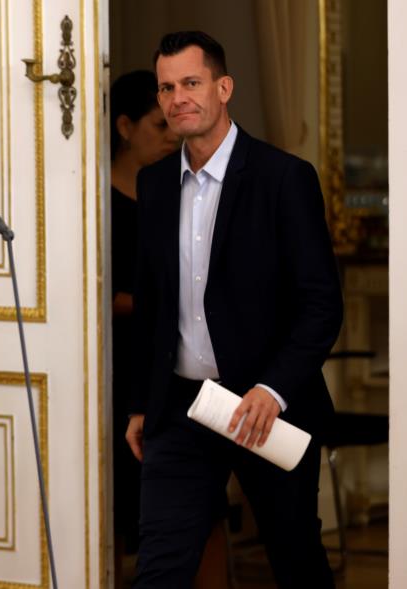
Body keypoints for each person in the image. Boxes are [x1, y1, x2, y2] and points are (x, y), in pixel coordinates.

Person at [125, 31, 342, 588]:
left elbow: (321, 305)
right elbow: (151, 306)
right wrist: (142, 402)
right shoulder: (153, 185)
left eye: (191, 83)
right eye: (167, 88)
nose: (178, 99)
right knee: (160, 566)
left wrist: (273, 391)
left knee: (295, 558)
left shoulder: (283, 178)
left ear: (224, 88)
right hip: (179, 407)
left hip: (265, 406)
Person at [110, 70, 229, 589]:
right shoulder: (115, 198)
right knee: (141, 517)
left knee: (211, 512)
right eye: (159, 119)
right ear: (124, 127)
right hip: (139, 372)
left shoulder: (180, 186)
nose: (170, 130)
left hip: (211, 379)